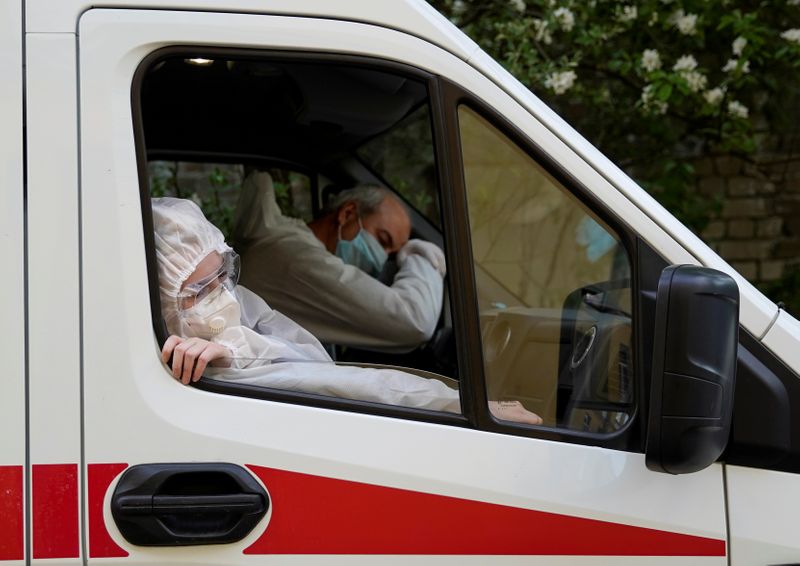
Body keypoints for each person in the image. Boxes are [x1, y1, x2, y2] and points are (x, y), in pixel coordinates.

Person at [153, 196, 542, 424]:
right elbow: (403, 329)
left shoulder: (227, 308)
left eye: (223, 275)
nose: (221, 296)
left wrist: (238, 349)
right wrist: (471, 408)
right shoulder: (289, 257)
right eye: (199, 290)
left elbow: (310, 360)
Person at [232, 172, 446, 352]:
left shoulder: (288, 240)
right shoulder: (301, 260)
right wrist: (420, 254)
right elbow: (414, 322)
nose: (382, 259)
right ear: (348, 213)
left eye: (391, 254)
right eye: (383, 240)